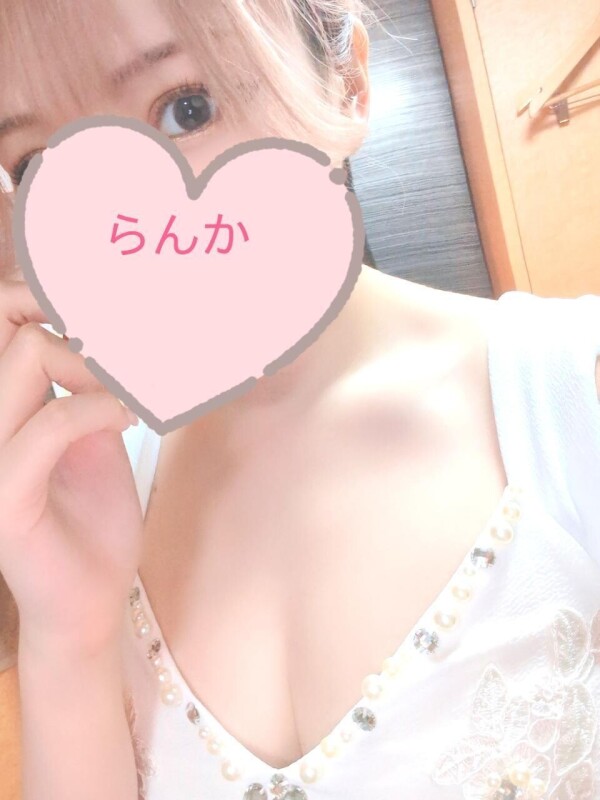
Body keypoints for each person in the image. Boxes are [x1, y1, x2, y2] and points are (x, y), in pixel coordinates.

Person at [0, 1, 599, 799]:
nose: (120, 225)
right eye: (39, 163)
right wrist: (66, 635)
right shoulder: (89, 488)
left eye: (188, 108)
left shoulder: (570, 391)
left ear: (347, 80)